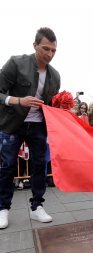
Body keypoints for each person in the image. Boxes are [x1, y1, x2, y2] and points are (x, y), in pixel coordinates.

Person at [0, 27, 60, 229]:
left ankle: (37, 207)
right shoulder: (16, 63)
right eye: (45, 49)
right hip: (12, 124)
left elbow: (52, 104)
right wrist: (18, 100)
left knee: (40, 166)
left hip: (38, 127)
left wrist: (62, 104)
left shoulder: (55, 75)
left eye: (53, 50)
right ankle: (3, 208)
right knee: (7, 166)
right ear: (34, 45)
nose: (49, 54)